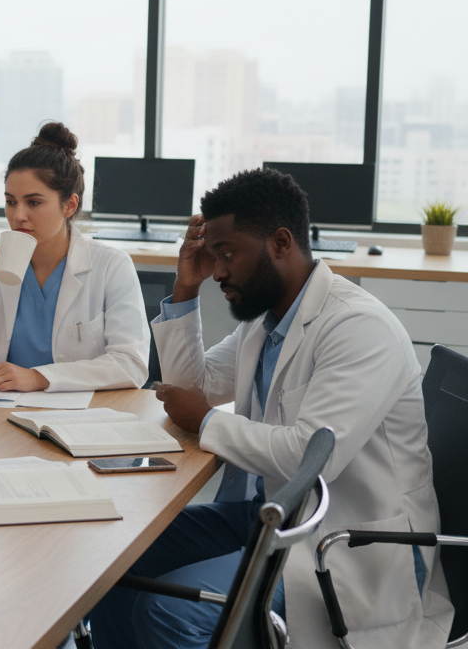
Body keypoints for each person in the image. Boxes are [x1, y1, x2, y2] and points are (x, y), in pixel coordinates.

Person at [90, 167, 453, 647]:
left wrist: (205, 420)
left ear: (281, 243)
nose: (218, 270)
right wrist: (184, 289)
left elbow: (309, 458)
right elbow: (189, 387)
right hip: (271, 513)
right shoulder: (266, 322)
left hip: (340, 539)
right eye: (213, 255)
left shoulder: (358, 328)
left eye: (227, 254)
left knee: (173, 614)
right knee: (110, 555)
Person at [0, 122, 150, 392]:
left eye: (34, 202)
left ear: (69, 205)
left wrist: (39, 377)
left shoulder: (111, 266)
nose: (18, 215)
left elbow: (131, 364)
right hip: (1, 411)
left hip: (77, 417)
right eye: (11, 201)